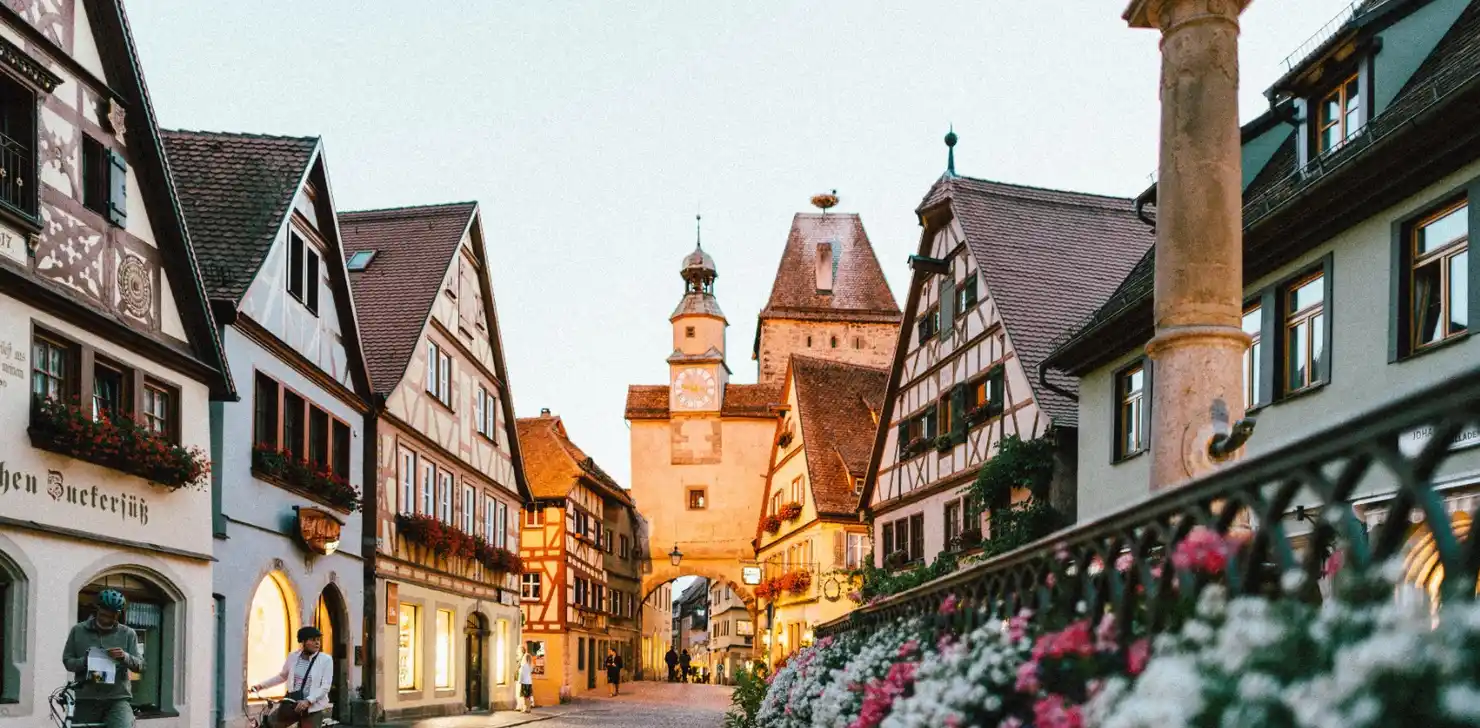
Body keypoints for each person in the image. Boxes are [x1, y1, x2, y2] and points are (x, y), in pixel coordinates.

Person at [62, 589, 144, 728]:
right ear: (97, 609)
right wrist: (85, 661)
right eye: (104, 614)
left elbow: (140, 666)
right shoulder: (78, 631)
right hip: (86, 699)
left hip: (117, 699)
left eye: (113, 616)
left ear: (118, 614)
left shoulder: (128, 634)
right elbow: (68, 662)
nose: (107, 619)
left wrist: (125, 657)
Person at [250, 626, 333, 728]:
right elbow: (282, 676)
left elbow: (325, 686)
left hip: (312, 707)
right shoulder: (293, 657)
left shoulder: (326, 660)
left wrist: (308, 701)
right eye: (312, 640)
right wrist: (260, 686)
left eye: (318, 640)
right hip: (292, 703)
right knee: (270, 724)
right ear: (303, 641)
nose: (317, 643)